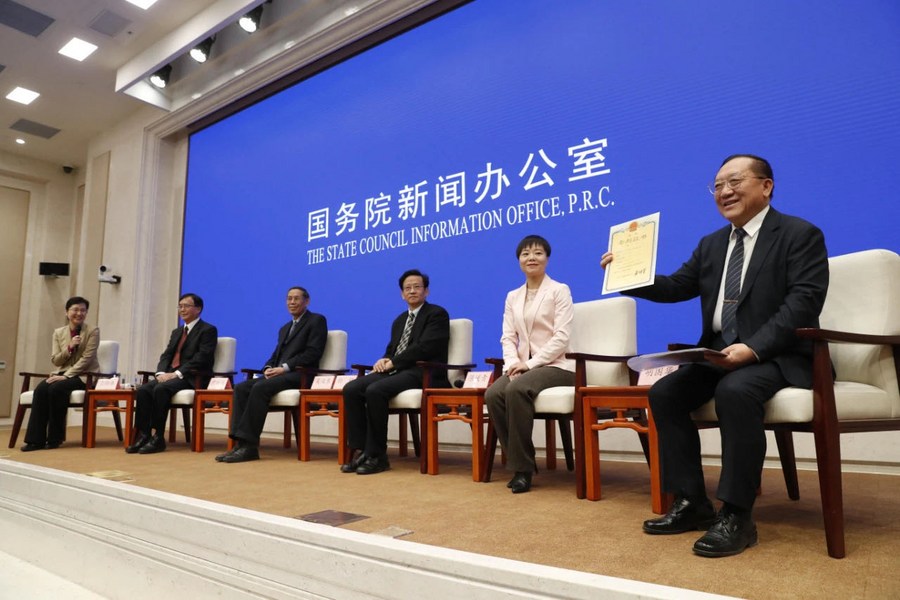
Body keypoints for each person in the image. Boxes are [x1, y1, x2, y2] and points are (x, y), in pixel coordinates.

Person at [601, 154, 828, 557]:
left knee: (735, 391)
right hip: (721, 353)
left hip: (779, 354)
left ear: (766, 186)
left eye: (735, 182)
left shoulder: (799, 234)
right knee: (665, 394)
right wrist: (628, 276)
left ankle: (737, 514)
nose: (724, 192)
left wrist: (753, 348)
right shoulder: (712, 244)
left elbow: (803, 303)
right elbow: (676, 286)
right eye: (718, 185)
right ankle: (692, 502)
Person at [485, 235, 576, 494]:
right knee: (493, 394)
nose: (531, 258)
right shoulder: (512, 296)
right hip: (523, 366)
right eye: (525, 254)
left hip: (558, 366)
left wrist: (531, 364)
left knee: (516, 389)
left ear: (547, 258)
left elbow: (561, 337)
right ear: (519, 261)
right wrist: (513, 363)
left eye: (537, 253)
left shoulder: (559, 290)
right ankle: (521, 460)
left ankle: (522, 469)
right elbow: (507, 336)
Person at [341, 269, 450, 475]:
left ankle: (378, 456)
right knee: (351, 389)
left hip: (424, 372)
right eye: (407, 288)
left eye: (417, 287)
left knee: (375, 390)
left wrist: (394, 362)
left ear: (426, 291)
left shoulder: (437, 314)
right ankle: (363, 450)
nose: (412, 291)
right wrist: (384, 359)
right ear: (402, 294)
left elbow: (425, 348)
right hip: (399, 370)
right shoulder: (400, 320)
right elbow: (393, 349)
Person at [216, 286, 327, 463]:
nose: (292, 302)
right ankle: (239, 443)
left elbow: (313, 353)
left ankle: (250, 446)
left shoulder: (316, 320)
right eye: (289, 298)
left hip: (301, 375)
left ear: (307, 301)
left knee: (260, 387)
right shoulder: (285, 328)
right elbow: (276, 354)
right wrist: (268, 367)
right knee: (241, 388)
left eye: (296, 298)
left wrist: (284, 367)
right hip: (281, 375)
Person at [126, 293, 218, 455]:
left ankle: (158, 437)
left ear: (198, 309)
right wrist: (160, 372)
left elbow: (202, 358)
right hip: (170, 375)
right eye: (180, 306)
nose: (182, 310)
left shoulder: (208, 330)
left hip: (192, 377)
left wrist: (176, 373)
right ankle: (144, 435)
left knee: (161, 389)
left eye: (186, 306)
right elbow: (167, 355)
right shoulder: (177, 332)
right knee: (144, 390)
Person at [21, 296, 100, 451]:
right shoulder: (58, 333)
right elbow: (56, 360)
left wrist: (66, 376)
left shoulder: (93, 331)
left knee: (56, 389)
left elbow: (87, 358)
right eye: (75, 310)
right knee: (41, 390)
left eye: (83, 310)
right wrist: (69, 347)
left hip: (84, 376)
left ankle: (55, 438)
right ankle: (35, 440)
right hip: (62, 373)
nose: (79, 313)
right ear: (67, 312)